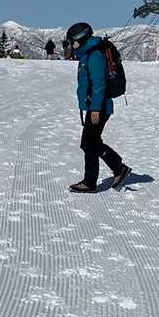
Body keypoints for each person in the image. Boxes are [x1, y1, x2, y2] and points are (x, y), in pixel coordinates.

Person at [66, 21, 131, 193]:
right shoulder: (88, 54)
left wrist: (95, 108)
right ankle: (118, 168)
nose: (72, 46)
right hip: (96, 106)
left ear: (81, 39)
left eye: (73, 42)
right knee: (91, 142)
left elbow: (99, 84)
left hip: (99, 107)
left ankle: (91, 181)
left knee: (88, 143)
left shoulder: (94, 56)